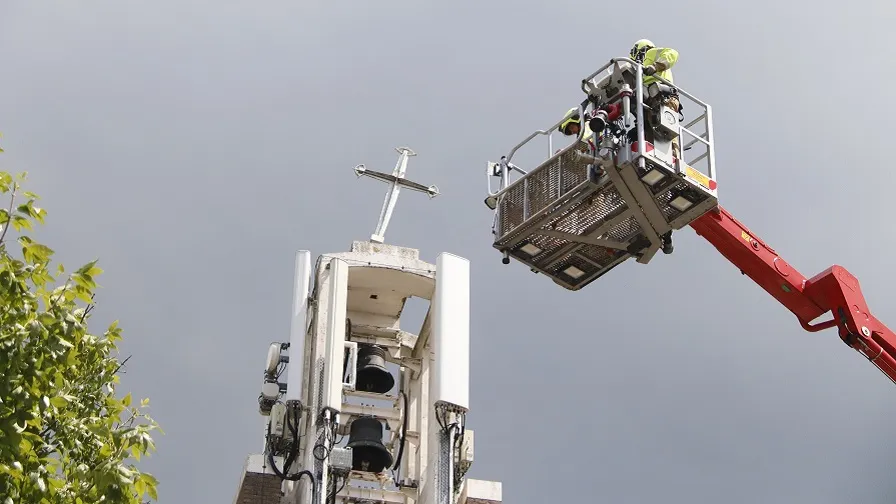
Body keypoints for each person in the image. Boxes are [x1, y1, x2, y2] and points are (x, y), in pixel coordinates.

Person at [631, 39, 678, 255]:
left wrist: (655, 66)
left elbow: (672, 54)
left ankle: (675, 171)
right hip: (647, 107)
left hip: (663, 101)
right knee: (644, 141)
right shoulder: (635, 70)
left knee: (667, 145)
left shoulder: (653, 53)